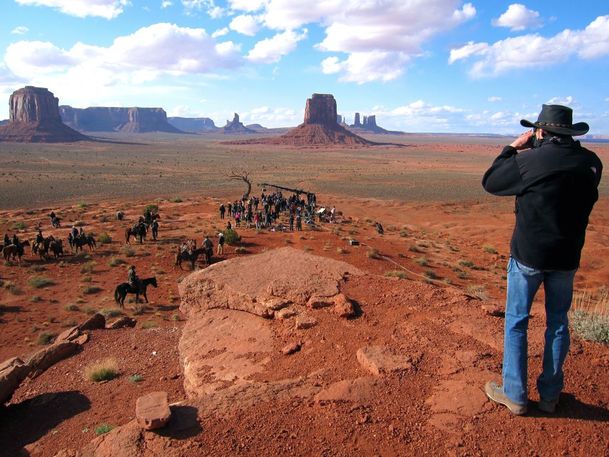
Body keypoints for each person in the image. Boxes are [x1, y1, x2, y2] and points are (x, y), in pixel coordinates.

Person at [482, 104, 602, 415]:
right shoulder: (592, 163)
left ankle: (515, 395)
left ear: (540, 131)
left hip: (529, 256)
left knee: (517, 322)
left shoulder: (529, 161)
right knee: (559, 324)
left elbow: (491, 181)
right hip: (566, 257)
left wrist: (512, 148)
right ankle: (550, 396)